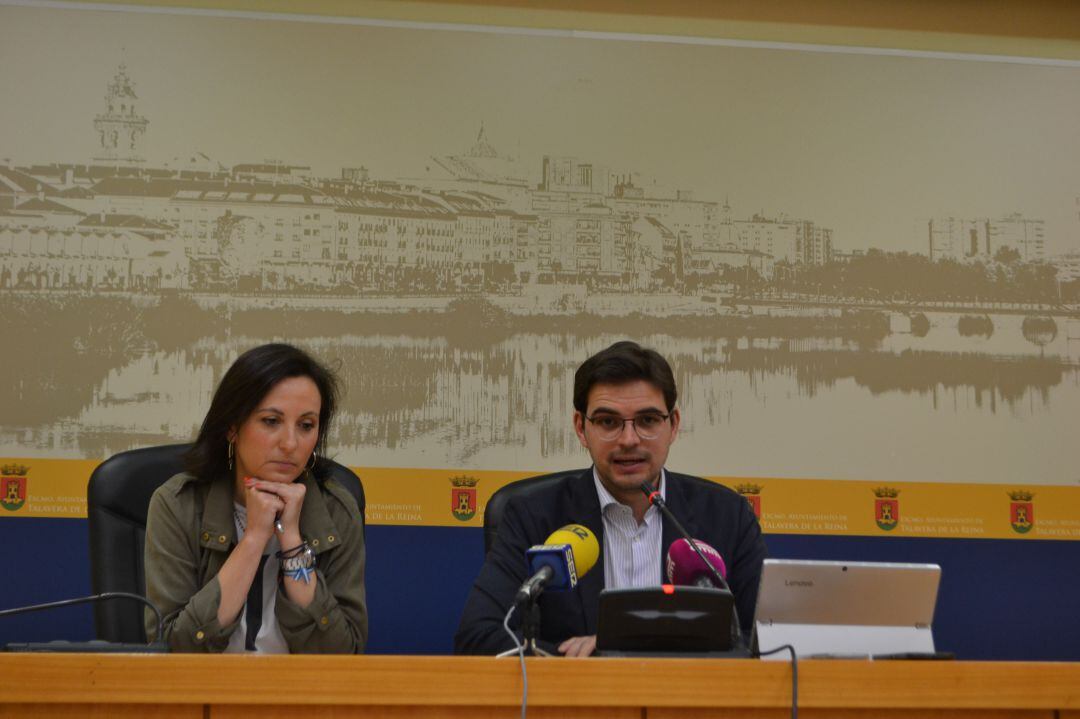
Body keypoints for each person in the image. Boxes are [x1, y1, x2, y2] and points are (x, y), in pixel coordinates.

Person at [455, 340, 767, 656]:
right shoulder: (534, 516)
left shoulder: (728, 517)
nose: (629, 440)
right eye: (608, 422)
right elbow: (479, 636)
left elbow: (764, 640)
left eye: (647, 420)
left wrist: (630, 649)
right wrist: (590, 662)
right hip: (578, 701)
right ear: (581, 428)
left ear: (672, 425)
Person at [145, 343, 367, 653]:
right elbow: (176, 648)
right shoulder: (178, 504)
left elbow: (341, 654)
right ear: (232, 427)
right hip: (204, 694)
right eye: (271, 421)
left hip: (300, 695)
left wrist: (291, 540)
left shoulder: (337, 510)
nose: (290, 443)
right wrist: (254, 539)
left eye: (306, 425)